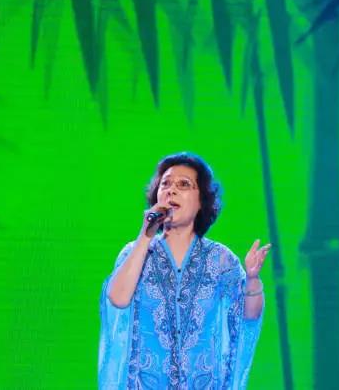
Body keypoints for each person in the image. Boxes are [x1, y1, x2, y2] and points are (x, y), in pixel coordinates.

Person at [98, 152, 270, 389]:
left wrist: (252, 279)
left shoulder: (221, 259)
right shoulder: (136, 252)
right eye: (165, 184)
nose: (171, 190)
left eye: (184, 184)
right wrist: (146, 234)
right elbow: (117, 299)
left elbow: (248, 316)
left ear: (201, 201)